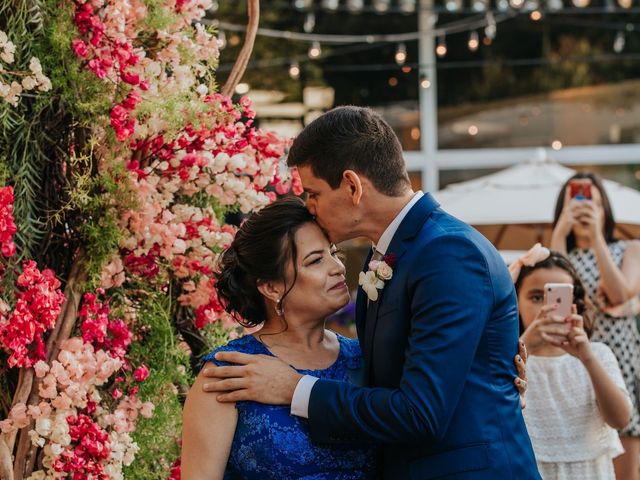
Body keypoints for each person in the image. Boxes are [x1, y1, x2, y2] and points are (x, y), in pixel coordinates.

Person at [200, 106, 540, 479]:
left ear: (352, 186)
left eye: (313, 193)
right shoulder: (389, 257)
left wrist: (295, 389)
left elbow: (421, 412)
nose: (310, 209)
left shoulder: (447, 253)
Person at [181, 198, 378, 479]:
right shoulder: (228, 372)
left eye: (333, 253)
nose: (337, 267)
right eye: (316, 260)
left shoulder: (365, 358)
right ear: (271, 287)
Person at [510, 245, 631, 479]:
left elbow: (620, 419)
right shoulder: (508, 356)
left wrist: (587, 358)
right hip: (531, 469)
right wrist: (525, 345)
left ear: (574, 301)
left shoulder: (598, 354)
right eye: (536, 297)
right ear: (515, 301)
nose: (546, 307)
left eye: (558, 297)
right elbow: (493, 409)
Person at [551, 172, 640, 479]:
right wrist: (560, 231)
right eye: (574, 203)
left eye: (595, 204)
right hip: (575, 362)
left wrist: (598, 236)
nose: (585, 209)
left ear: (607, 211)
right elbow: (557, 296)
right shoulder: (561, 254)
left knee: (626, 466)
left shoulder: (629, 249)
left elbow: (619, 291)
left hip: (622, 363)